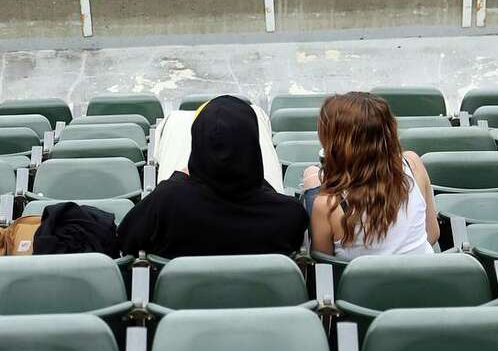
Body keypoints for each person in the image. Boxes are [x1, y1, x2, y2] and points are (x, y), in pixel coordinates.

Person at [117, 94, 308, 258]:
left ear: (197, 145)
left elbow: (126, 240)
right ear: (252, 147)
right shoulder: (290, 215)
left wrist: (178, 180)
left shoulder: (165, 203)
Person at [302, 93, 439, 259]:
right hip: (426, 279)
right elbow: (432, 234)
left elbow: (324, 264)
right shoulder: (412, 163)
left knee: (311, 177)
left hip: (360, 284)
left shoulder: (327, 204)